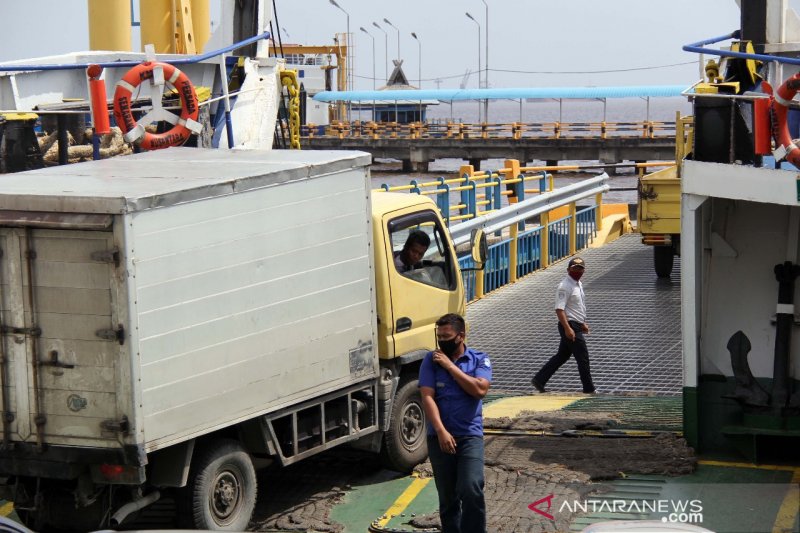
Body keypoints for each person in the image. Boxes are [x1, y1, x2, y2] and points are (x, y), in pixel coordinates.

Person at [419, 313, 492, 533]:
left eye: (447, 336)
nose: (442, 341)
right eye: (439, 336)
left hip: (469, 435)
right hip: (439, 437)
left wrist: (451, 367)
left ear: (461, 336)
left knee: (471, 488)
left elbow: (480, 390)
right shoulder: (430, 360)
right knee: (448, 496)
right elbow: (427, 397)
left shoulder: (479, 359)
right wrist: (440, 431)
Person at [532, 256, 596, 394]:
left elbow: (576, 307)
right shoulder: (564, 286)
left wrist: (582, 323)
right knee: (583, 358)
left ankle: (539, 379)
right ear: (568, 270)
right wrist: (568, 329)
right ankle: (589, 389)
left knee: (562, 355)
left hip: (576, 324)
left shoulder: (578, 284)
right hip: (570, 325)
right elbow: (559, 309)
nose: (578, 271)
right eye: (575, 268)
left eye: (580, 269)